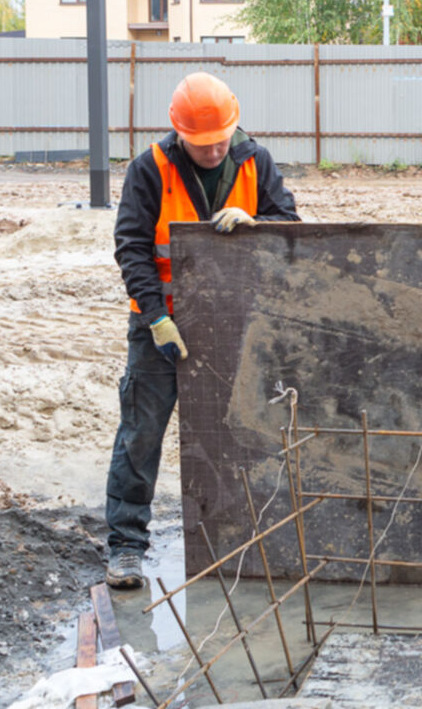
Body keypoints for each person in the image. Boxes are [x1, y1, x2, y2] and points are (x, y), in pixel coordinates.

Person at [104, 72, 300, 589]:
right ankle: (126, 546)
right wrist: (156, 317)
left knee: (241, 433)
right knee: (141, 434)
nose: (213, 152)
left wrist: (259, 221)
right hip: (161, 325)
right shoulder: (150, 170)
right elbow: (133, 249)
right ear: (180, 135)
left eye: (219, 142)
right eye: (201, 144)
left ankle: (242, 541)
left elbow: (292, 228)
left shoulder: (256, 162)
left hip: (234, 324)